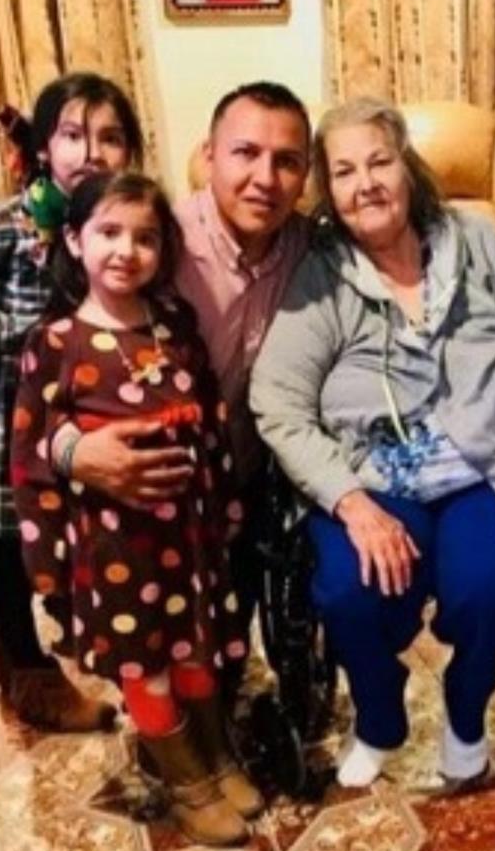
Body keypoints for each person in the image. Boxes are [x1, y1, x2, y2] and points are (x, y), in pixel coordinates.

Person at [249, 96, 495, 792]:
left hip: (487, 466)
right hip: (375, 479)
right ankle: (378, 717)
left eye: (379, 162)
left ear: (408, 167)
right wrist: (351, 503)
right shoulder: (321, 278)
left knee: (491, 584)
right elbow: (277, 403)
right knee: (348, 590)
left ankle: (467, 707)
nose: (365, 183)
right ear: (328, 190)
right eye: (344, 171)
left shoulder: (479, 242)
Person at [10, 171, 261, 847]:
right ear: (75, 239)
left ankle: (215, 756)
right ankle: (186, 782)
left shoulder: (175, 326)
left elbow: (212, 421)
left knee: (195, 650)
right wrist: (49, 558)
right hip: (116, 547)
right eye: (110, 233)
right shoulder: (54, 342)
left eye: (145, 238)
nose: (127, 250)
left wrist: (224, 508)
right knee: (143, 663)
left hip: (190, 536)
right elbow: (31, 447)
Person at [0, 72, 143, 732]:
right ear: (45, 146)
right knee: (8, 540)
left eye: (110, 137)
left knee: (67, 526)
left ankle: (72, 620)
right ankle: (23, 664)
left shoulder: (112, 225)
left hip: (70, 415)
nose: (91, 152)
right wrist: (27, 331)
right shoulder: (3, 225)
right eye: (73, 135)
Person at [55, 82, 311, 635]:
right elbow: (61, 362)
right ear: (209, 156)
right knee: (155, 640)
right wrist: (72, 449)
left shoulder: (311, 250)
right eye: (246, 153)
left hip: (245, 478)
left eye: (287, 161)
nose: (265, 179)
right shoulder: (152, 243)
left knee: (228, 631)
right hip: (150, 495)